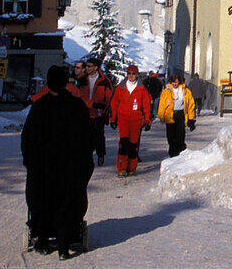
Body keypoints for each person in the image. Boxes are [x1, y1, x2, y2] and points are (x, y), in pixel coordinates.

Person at [21, 65, 94, 260]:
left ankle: (43, 239)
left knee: (42, 201)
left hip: (43, 168)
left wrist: (30, 162)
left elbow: (27, 139)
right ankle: (64, 245)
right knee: (67, 202)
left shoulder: (39, 107)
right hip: (69, 168)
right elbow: (87, 138)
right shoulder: (77, 107)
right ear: (65, 83)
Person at [109, 65, 151, 177]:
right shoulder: (121, 87)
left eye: (133, 73)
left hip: (136, 120)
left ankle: (131, 168)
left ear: (137, 75)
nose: (131, 76)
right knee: (123, 143)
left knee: (133, 144)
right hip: (123, 119)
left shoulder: (142, 88)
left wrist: (147, 120)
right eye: (129, 73)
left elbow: (147, 105)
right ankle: (121, 168)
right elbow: (114, 103)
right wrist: (112, 118)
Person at [81, 57, 114, 167]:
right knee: (85, 137)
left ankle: (101, 155)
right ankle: (86, 157)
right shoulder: (82, 79)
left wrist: (106, 111)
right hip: (85, 113)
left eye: (89, 66)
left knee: (98, 136)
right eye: (86, 66)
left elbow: (109, 97)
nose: (87, 68)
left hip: (99, 113)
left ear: (95, 68)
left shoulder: (104, 81)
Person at [158, 71, 196, 158]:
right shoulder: (166, 91)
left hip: (181, 114)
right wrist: (161, 116)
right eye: (173, 82)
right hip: (170, 115)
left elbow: (190, 104)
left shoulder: (185, 91)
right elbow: (162, 104)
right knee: (171, 136)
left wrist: (191, 118)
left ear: (179, 82)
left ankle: (180, 153)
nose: (175, 84)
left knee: (181, 135)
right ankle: (173, 153)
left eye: (176, 82)